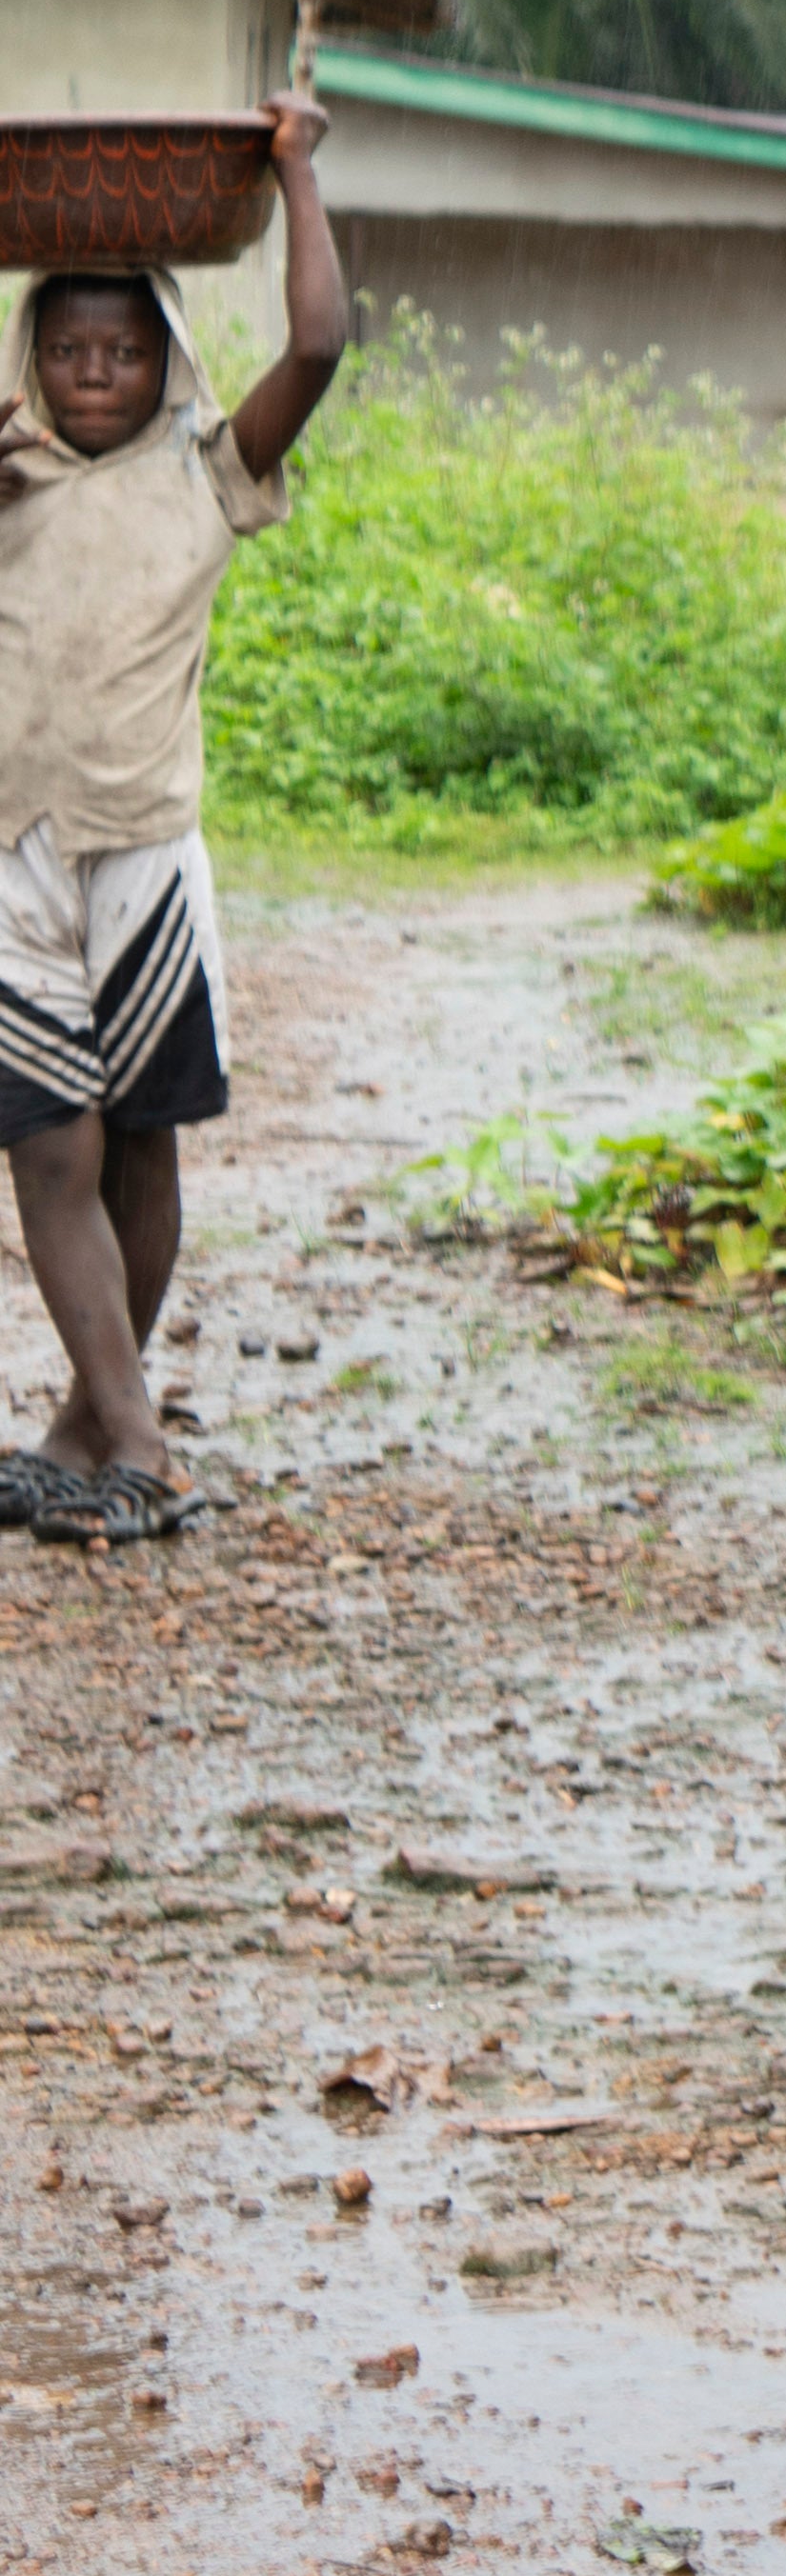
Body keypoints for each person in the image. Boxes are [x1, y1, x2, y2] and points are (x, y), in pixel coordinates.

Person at [0, 95, 348, 1544]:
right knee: (47, 1144)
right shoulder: (4, 481)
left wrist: (295, 172)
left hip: (147, 856)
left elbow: (320, 343)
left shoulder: (211, 474)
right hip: (13, 863)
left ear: (166, 359)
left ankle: (94, 1422)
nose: (97, 374)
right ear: (33, 358)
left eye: (125, 351)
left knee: (141, 1146)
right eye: (70, 351)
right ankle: (138, 1436)